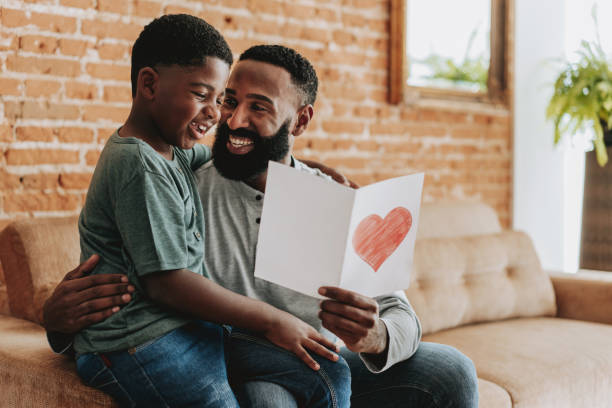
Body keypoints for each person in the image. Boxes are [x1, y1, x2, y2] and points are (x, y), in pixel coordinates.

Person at [44, 43, 480, 407]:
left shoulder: (336, 201)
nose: (233, 120)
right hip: (233, 359)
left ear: (301, 120)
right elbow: (130, 284)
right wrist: (58, 323)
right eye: (230, 100)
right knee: (270, 397)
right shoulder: (182, 185)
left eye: (259, 108)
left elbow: (400, 313)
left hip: (319, 357)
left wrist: (376, 337)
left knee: (452, 372)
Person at [72, 15, 349, 408]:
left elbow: (242, 154)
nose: (218, 114)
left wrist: (314, 170)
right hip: (139, 342)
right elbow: (167, 283)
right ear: (149, 84)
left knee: (328, 371)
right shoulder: (138, 163)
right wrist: (273, 319)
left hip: (185, 330)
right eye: (204, 95)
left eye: (219, 99)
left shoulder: (173, 153)